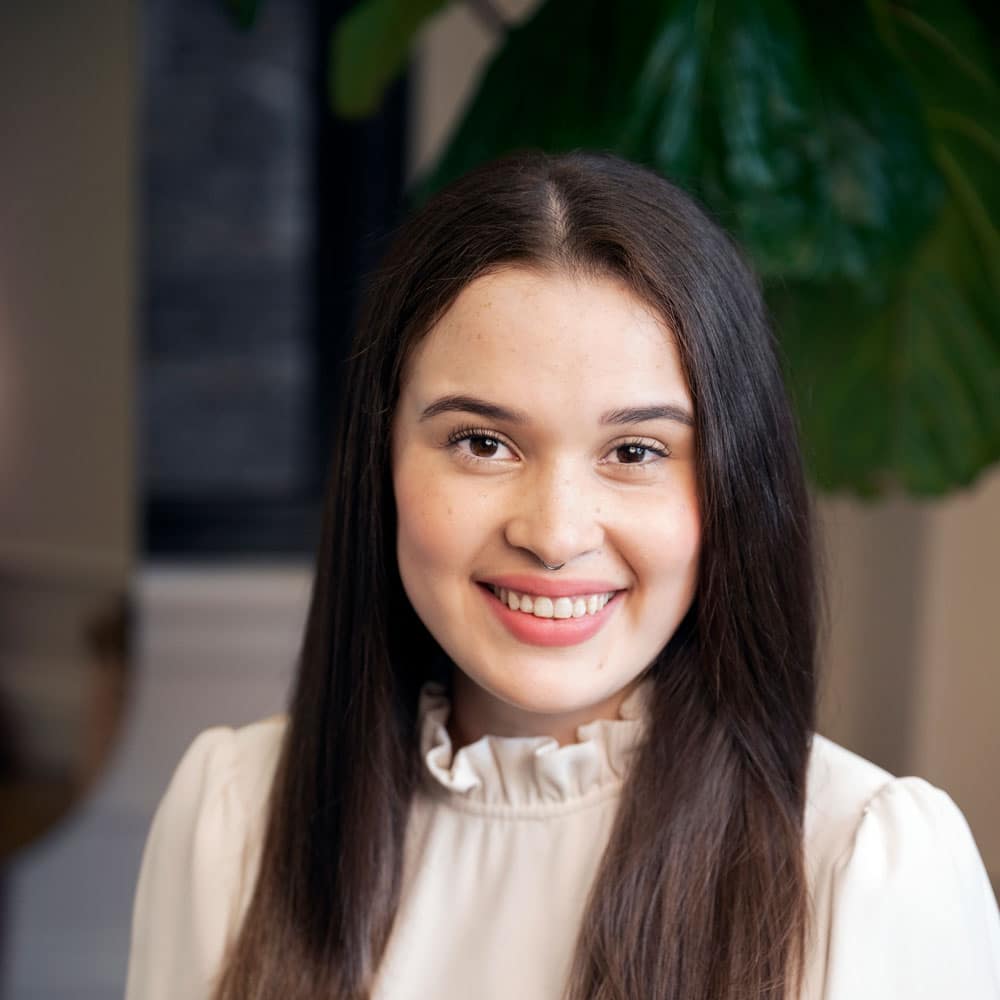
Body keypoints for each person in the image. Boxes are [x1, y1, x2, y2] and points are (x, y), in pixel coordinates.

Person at [125, 151, 1000, 1000]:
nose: (553, 534)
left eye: (635, 450)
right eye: (481, 442)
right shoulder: (235, 816)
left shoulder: (863, 867)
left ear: (735, 487)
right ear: (381, 461)